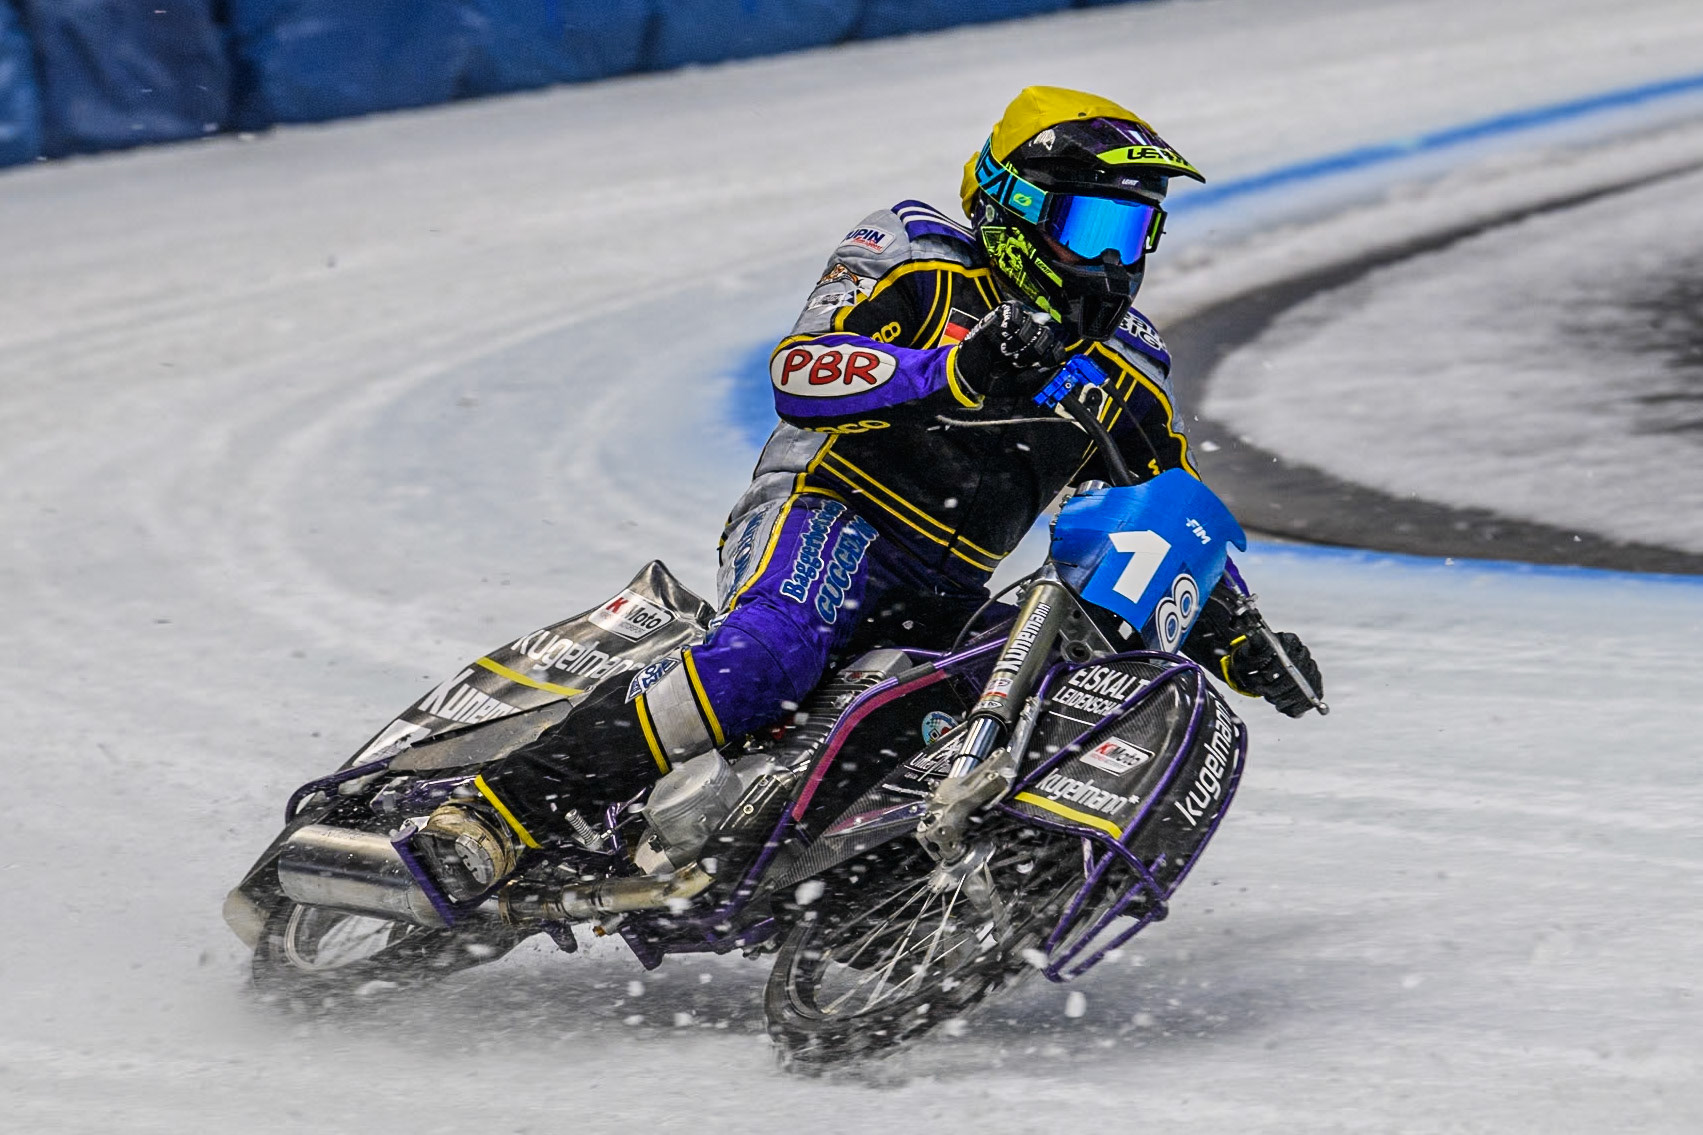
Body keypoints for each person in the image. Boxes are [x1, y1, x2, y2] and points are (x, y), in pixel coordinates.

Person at [415, 86, 1323, 901]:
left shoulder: (1127, 365)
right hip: (829, 515)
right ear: (1012, 205)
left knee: (960, 720)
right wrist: (959, 367)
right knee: (762, 662)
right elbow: (801, 373)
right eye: (1089, 228)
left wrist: (1234, 633)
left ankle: (848, 888)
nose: (1111, 260)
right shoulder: (916, 257)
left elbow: (1158, 505)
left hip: (945, 585)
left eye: (1131, 233)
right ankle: (499, 810)